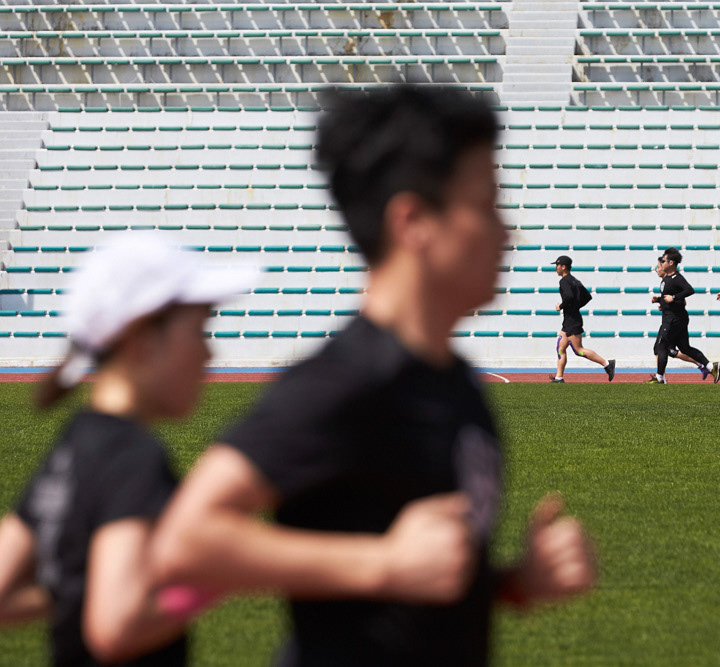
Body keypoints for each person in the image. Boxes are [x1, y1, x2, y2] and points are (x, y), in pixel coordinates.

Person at [151, 86, 597, 667]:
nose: (506, 231)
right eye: (485, 204)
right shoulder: (346, 382)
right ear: (413, 221)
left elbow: (419, 582)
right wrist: (383, 563)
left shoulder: (455, 382)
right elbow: (184, 539)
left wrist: (514, 582)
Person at [0, 234, 252, 666]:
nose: (209, 353)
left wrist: (78, 589)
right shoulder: (133, 456)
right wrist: (216, 577)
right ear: (142, 339)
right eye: (198, 331)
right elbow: (118, 627)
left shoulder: (74, 442)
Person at [646, 248, 720, 385]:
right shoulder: (667, 279)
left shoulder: (677, 278)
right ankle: (711, 366)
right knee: (685, 348)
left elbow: (689, 290)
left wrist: (674, 297)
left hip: (673, 319)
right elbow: (670, 298)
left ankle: (660, 378)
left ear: (671, 263)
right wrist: (659, 300)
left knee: (661, 346)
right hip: (676, 318)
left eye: (663, 260)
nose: (661, 263)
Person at [550, 255, 616, 383]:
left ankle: (607, 364)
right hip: (570, 319)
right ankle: (559, 378)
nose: (556, 268)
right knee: (560, 348)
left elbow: (569, 296)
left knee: (578, 350)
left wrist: (561, 306)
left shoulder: (564, 281)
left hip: (572, 321)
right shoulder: (574, 280)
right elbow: (587, 296)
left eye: (557, 265)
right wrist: (575, 307)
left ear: (563, 267)